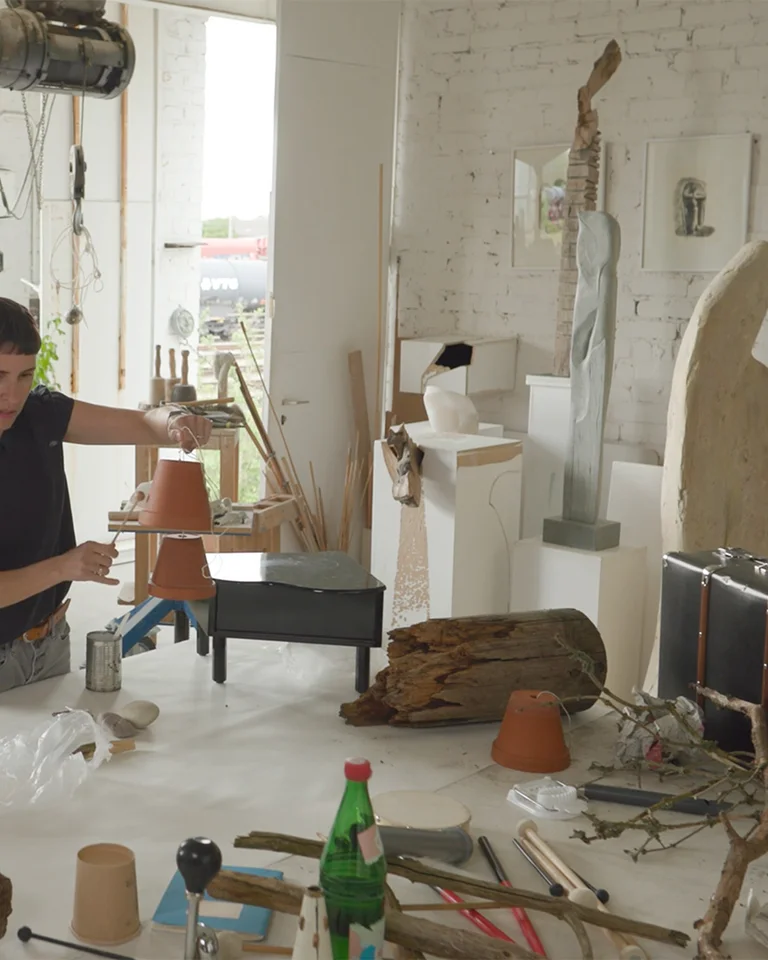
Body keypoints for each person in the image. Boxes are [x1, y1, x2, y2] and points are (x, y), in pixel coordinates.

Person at [0, 297, 212, 694]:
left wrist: (175, 421)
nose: (12, 395)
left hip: (49, 641)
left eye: (25, 375)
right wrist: (63, 567)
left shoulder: (39, 413)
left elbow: (143, 424)